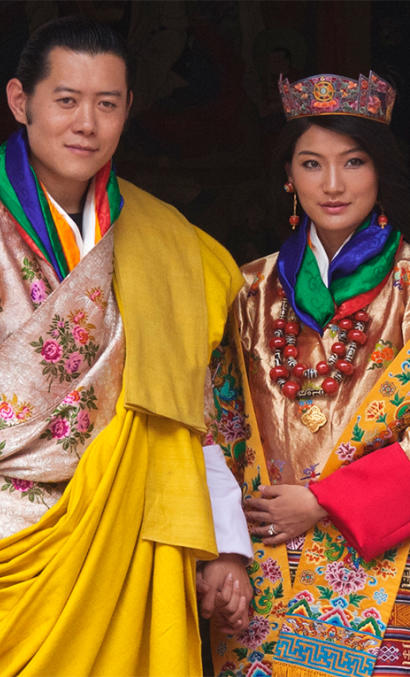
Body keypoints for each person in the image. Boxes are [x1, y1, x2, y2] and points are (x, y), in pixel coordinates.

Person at [0, 16, 255, 676]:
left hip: (124, 530)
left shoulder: (171, 244)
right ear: (21, 101)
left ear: (129, 110)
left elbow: (197, 413)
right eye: (67, 100)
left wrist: (225, 543)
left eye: (107, 104)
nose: (87, 123)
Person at [209, 71, 410, 677]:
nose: (332, 184)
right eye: (311, 163)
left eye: (353, 162)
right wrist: (225, 551)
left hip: (386, 562)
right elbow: (214, 424)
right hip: (265, 566)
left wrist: (325, 501)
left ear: (381, 171)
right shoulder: (245, 289)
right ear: (288, 177)